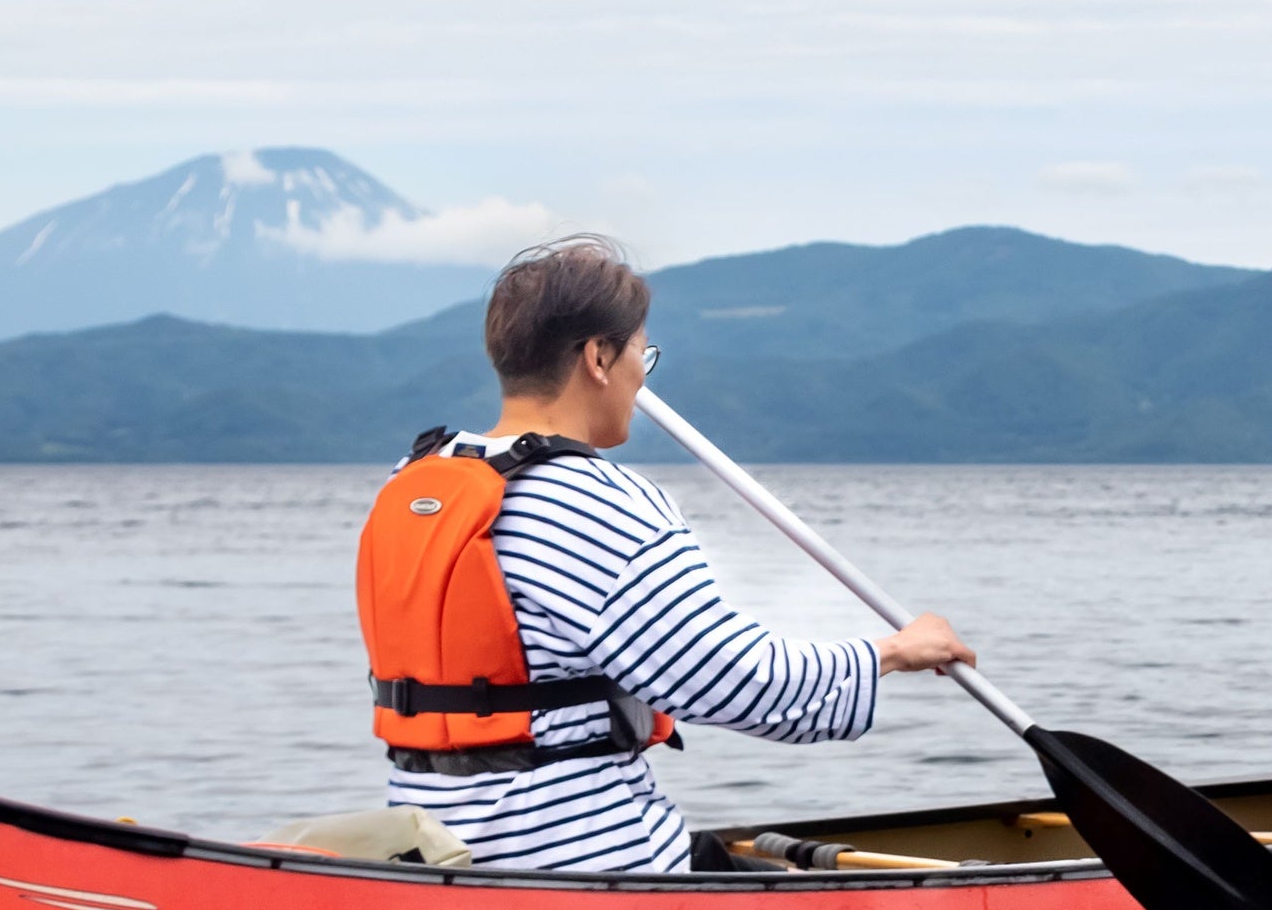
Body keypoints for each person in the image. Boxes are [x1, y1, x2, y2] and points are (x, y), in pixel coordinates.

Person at [356, 234, 973, 872]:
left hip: (439, 857)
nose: (640, 375)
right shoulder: (594, 502)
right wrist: (889, 654)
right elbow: (737, 683)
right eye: (639, 354)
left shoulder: (414, 481)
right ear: (598, 357)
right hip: (586, 867)